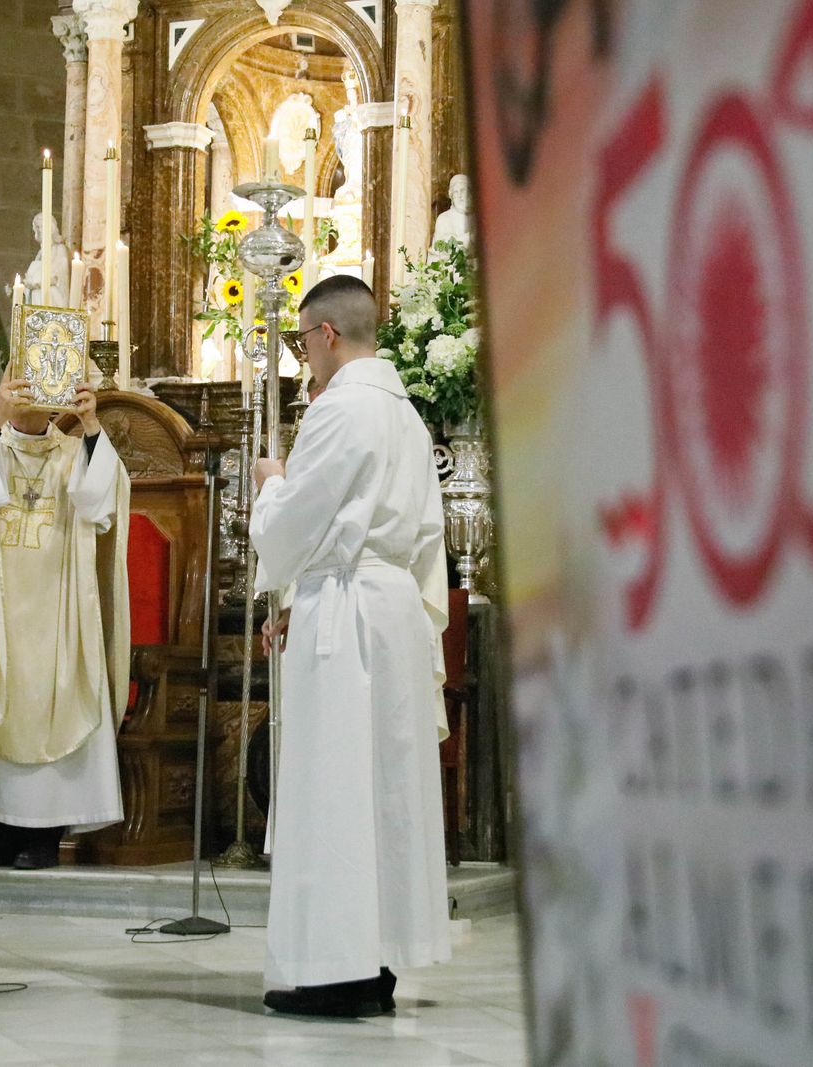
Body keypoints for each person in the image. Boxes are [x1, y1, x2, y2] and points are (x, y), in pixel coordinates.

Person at [250, 274, 452, 1017]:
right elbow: (427, 539)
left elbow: (291, 524)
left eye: (302, 342)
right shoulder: (406, 415)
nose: (303, 359)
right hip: (392, 609)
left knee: (335, 788)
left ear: (327, 334)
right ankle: (379, 963)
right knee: (386, 792)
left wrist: (271, 483)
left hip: (348, 619)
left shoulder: (340, 410)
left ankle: (336, 973)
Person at [0, 376, 130, 870]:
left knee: (55, 699)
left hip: (59, 605)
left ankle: (45, 834)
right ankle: (3, 832)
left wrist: (90, 424)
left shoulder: (73, 451)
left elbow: (103, 500)